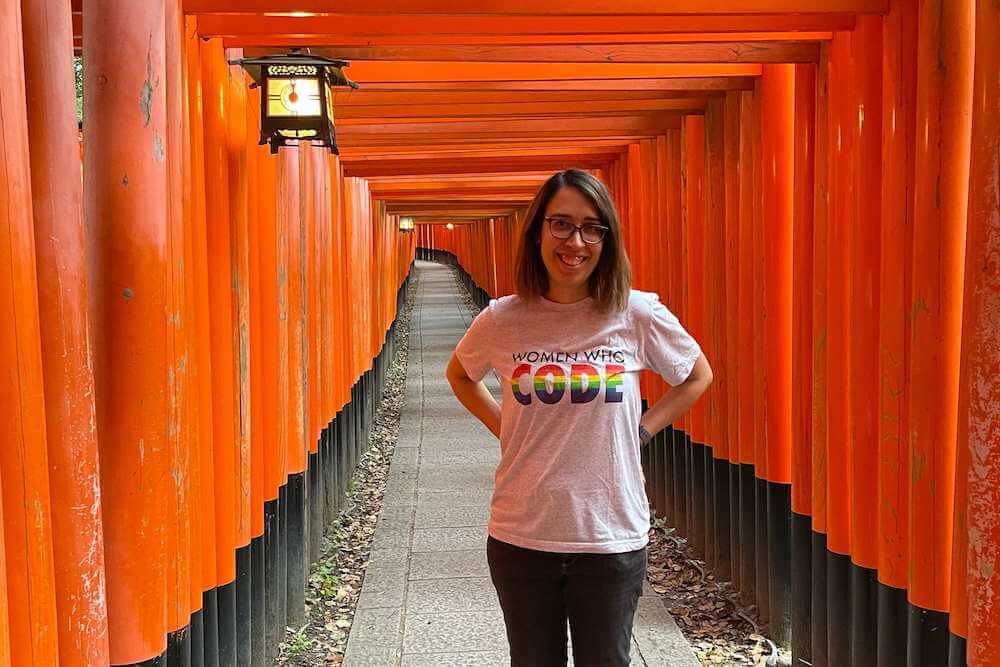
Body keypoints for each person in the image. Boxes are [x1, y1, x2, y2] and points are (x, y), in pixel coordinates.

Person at [445, 169, 713, 666]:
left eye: (593, 228)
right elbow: (460, 375)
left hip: (609, 533)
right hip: (523, 531)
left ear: (607, 239)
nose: (577, 241)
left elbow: (695, 375)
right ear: (538, 232)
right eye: (562, 225)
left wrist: (642, 429)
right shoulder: (504, 318)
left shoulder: (636, 314)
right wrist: (504, 423)